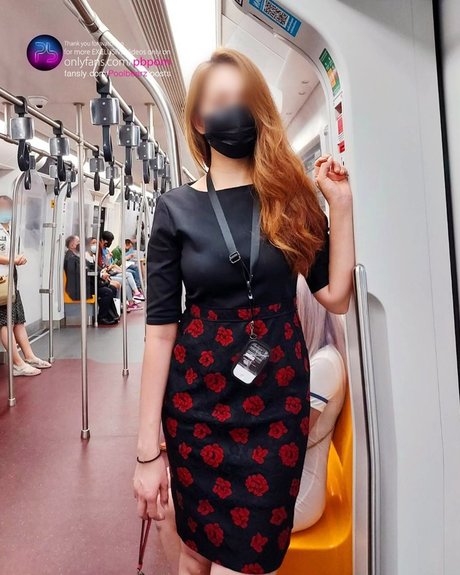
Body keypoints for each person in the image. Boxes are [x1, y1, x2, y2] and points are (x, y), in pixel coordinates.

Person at [133, 48, 354, 575]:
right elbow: (160, 333)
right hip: (196, 407)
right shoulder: (175, 209)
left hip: (275, 408)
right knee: (194, 551)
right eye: (218, 101)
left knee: (254, 558)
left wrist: (340, 206)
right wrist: (147, 453)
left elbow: (337, 295)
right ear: (198, 121)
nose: (232, 111)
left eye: (241, 99)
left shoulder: (290, 198)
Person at [292, 276, 347, 532]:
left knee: (179, 505)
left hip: (298, 498)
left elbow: (290, 440)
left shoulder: (324, 364)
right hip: (282, 483)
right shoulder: (310, 357)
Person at [0, 195, 51, 376]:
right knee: (4, 322)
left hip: (10, 279)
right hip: (1, 281)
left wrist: (17, 258)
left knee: (18, 319)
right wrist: (13, 259)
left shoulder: (9, 229)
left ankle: (29, 356)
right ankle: (17, 363)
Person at [85, 238, 120, 325]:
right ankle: (102, 316)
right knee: (107, 291)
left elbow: (99, 268)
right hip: (89, 284)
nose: (95, 245)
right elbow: (89, 271)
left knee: (112, 288)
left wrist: (103, 271)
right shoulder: (86, 258)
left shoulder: (93, 257)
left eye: (96, 243)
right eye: (93, 243)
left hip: (95, 281)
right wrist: (101, 274)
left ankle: (111, 314)